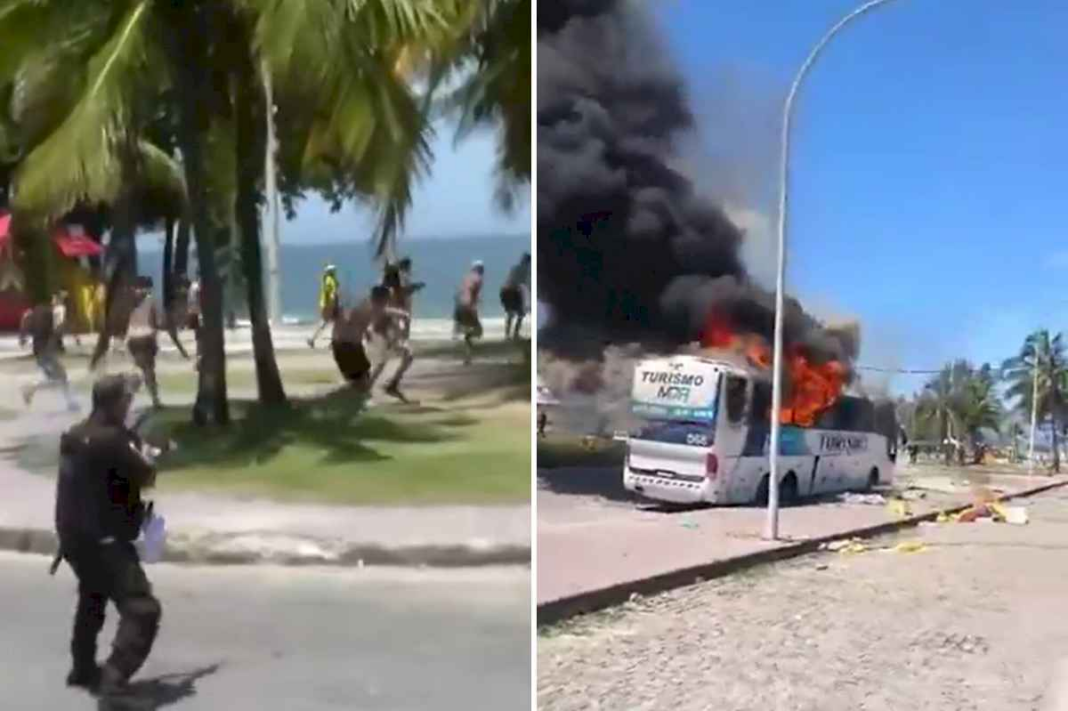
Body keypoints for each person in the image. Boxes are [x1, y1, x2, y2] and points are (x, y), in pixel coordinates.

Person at [54, 373, 162, 696]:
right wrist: (149, 454)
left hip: (72, 539)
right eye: (126, 400)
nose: (130, 405)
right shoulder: (113, 440)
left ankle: (82, 668)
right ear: (115, 403)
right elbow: (145, 475)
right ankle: (113, 684)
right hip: (105, 540)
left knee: (93, 593)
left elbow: (103, 473)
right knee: (143, 609)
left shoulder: (75, 435)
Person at [331, 286, 410, 393]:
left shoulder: (363, 305)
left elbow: (354, 321)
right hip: (348, 347)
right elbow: (383, 311)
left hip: (345, 345)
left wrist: (365, 332)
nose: (388, 302)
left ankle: (331, 397)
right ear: (382, 299)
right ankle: (323, 399)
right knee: (360, 384)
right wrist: (403, 314)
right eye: (388, 299)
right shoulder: (372, 306)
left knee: (360, 381)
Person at [19, 294, 78, 410]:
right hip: (46, 349)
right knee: (61, 377)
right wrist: (70, 333)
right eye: (54, 298)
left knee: (57, 378)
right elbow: (57, 329)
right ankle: (30, 388)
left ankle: (71, 403)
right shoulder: (50, 312)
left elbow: (25, 327)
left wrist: (22, 338)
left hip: (38, 350)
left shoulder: (32, 312)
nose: (55, 300)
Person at [125, 277, 163, 409]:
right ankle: (155, 400)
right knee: (148, 372)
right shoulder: (151, 301)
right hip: (146, 338)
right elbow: (156, 322)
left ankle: (127, 398)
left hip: (132, 339)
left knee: (138, 370)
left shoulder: (129, 301)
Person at [453, 260, 485, 365]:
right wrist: (472, 306)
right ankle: (467, 355)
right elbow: (471, 293)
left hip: (459, 306)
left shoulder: (466, 278)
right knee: (479, 331)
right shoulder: (478, 279)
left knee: (470, 331)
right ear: (479, 269)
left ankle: (467, 357)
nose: (483, 271)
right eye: (482, 269)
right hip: (467, 306)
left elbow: (459, 294)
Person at [499, 252, 530, 340]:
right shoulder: (526, 269)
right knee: (520, 314)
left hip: (504, 291)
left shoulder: (514, 267)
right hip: (512, 291)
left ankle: (507, 335)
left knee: (510, 314)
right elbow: (524, 284)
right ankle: (515, 334)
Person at [308, 264, 340, 348]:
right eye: (333, 270)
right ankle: (331, 343)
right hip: (330, 305)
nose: (335, 271)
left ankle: (313, 339)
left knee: (325, 323)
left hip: (323, 304)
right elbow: (333, 294)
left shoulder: (325, 279)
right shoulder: (331, 280)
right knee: (336, 323)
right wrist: (334, 304)